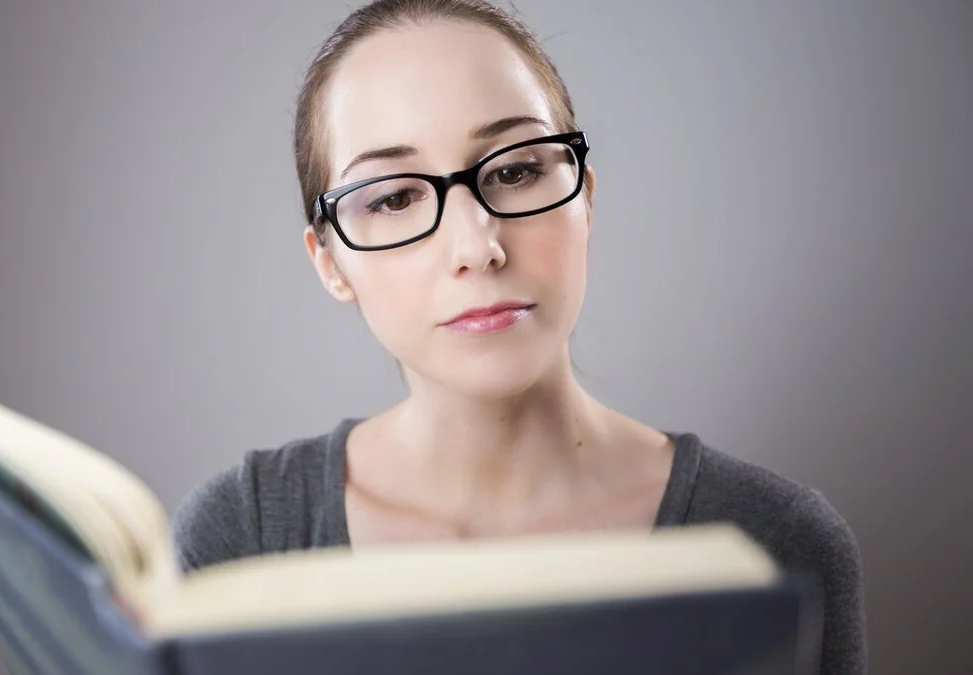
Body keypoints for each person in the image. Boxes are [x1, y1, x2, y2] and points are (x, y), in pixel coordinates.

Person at [172, 0, 866, 672]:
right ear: (330, 262)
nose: (477, 245)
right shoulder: (243, 537)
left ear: (585, 197)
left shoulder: (774, 543)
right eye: (393, 197)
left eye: (514, 171)